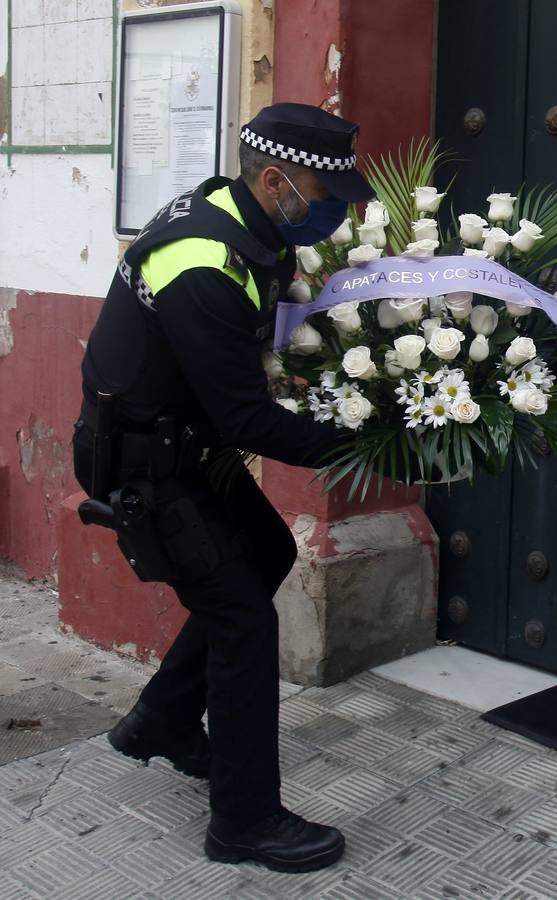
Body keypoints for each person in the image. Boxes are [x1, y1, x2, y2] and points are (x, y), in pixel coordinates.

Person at [72, 103, 374, 873]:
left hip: (185, 448)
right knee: (242, 617)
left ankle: (163, 721)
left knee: (265, 550)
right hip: (143, 464)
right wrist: (371, 448)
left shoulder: (246, 221)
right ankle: (243, 823)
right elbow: (247, 420)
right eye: (323, 189)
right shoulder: (204, 262)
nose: (335, 206)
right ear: (275, 180)